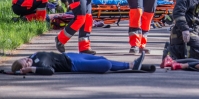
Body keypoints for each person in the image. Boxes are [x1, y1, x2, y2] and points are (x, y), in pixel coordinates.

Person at [11, 51, 146, 75]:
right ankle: (131, 65)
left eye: (24, 60)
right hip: (73, 65)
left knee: (102, 58)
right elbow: (50, 71)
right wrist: (31, 69)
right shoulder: (38, 67)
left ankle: (132, 65)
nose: (27, 61)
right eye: (26, 64)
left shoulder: (32, 56)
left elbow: (13, 69)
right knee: (106, 65)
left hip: (70, 56)